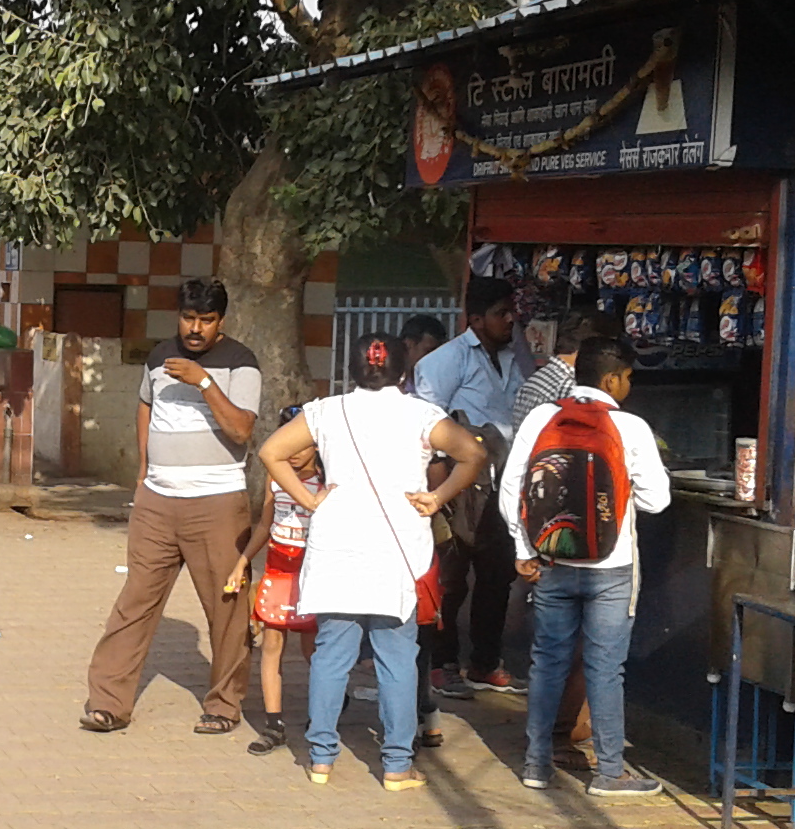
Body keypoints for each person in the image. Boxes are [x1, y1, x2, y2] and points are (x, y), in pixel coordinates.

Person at [257, 334, 488, 787]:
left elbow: (271, 451)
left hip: (335, 546)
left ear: (352, 370)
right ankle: (397, 764)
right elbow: (474, 453)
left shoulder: (325, 411)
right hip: (395, 551)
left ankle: (321, 758)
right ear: (402, 373)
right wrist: (437, 497)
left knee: (331, 655)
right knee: (397, 660)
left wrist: (309, 498)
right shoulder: (422, 414)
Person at [79, 278, 264, 736]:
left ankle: (223, 705)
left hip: (217, 503)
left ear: (221, 322)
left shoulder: (241, 362)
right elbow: (145, 406)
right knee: (135, 601)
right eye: (188, 318)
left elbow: (241, 429)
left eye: (206, 320)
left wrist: (204, 382)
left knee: (227, 607)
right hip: (157, 503)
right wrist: (143, 469)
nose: (195, 328)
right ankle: (108, 703)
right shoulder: (159, 357)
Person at [500, 335, 672, 797]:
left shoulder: (542, 418)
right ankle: (610, 773)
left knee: (547, 662)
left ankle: (536, 765)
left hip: (552, 559)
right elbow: (657, 501)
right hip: (612, 567)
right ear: (612, 379)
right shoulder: (630, 427)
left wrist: (524, 549)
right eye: (628, 378)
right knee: (605, 667)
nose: (628, 386)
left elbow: (512, 486)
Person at [412, 277, 529, 699]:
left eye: (512, 311)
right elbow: (426, 424)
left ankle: (484, 662)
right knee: (451, 579)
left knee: (497, 576)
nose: (510, 320)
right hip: (459, 483)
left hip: (504, 482)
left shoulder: (517, 356)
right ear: (475, 319)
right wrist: (441, 491)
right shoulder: (446, 361)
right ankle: (442, 664)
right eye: (501, 313)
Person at [233, 404, 323, 756]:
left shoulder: (327, 482)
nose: (294, 452)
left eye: (302, 444)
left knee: (314, 649)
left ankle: (325, 708)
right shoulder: (275, 477)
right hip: (278, 570)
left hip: (312, 573)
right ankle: (274, 724)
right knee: (271, 645)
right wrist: (242, 561)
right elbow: (265, 523)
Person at [397, 314, 449, 395]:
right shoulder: (389, 382)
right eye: (429, 351)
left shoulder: (444, 383)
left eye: (439, 353)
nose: (435, 359)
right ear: (408, 344)